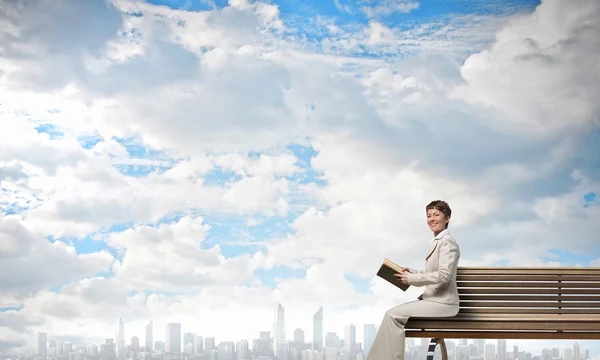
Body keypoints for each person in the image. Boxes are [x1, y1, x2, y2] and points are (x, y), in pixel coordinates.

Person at [366, 200, 460, 360]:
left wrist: (412, 278)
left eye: (436, 214)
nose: (431, 219)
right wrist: (412, 271)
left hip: (444, 303)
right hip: (434, 301)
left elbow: (444, 275)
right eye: (429, 215)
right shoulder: (437, 241)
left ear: (448, 218)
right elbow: (434, 272)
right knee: (392, 315)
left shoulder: (447, 242)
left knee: (392, 315)